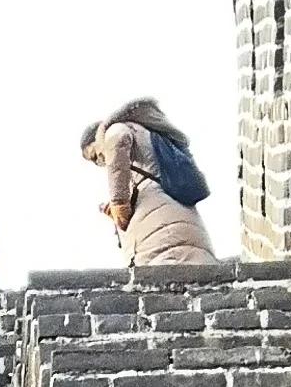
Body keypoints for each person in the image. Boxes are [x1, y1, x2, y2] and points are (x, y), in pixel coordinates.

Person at [83, 97, 216, 269]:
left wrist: (119, 203)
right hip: (181, 223)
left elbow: (117, 138)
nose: (100, 163)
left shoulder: (116, 129)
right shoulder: (149, 148)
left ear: (98, 139)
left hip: (164, 237)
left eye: (95, 156)